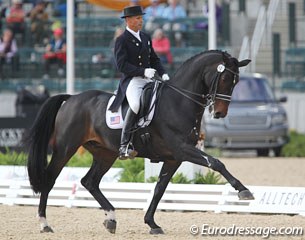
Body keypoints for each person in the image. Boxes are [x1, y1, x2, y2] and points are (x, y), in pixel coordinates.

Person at [108, 5, 170, 160]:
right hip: (132, 80)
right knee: (135, 105)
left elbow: (154, 59)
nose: (141, 21)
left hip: (149, 78)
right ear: (128, 20)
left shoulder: (145, 37)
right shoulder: (121, 40)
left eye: (141, 18)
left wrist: (164, 74)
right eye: (137, 18)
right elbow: (122, 66)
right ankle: (124, 145)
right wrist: (142, 71)